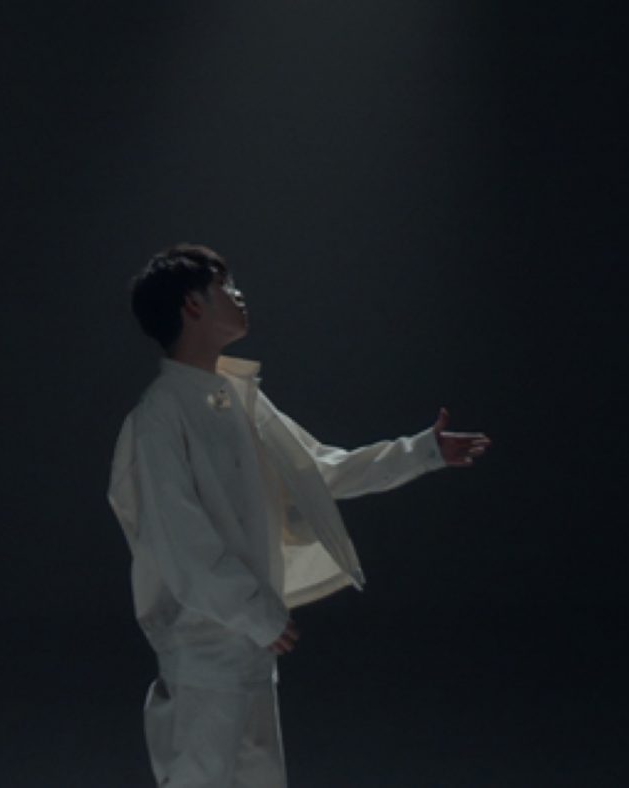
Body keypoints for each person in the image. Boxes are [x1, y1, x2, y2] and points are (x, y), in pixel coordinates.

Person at [107, 243, 491, 787]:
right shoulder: (159, 417)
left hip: (250, 647)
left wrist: (422, 452)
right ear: (191, 305)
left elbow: (316, 470)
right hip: (202, 649)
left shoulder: (236, 399)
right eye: (224, 286)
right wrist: (255, 613)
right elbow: (181, 541)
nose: (238, 294)